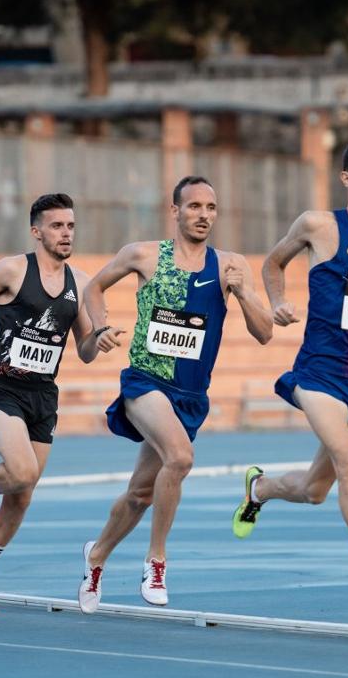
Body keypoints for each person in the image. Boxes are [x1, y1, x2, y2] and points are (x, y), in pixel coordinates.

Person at [231, 136, 348, 615]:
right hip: (320, 374)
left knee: (317, 490)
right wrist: (276, 300)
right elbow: (273, 262)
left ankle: (260, 488)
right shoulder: (318, 225)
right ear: (347, 178)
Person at [77, 176, 273, 612]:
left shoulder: (230, 266)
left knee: (140, 494)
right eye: (194, 206)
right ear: (175, 211)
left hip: (189, 395)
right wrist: (101, 325)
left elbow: (264, 333)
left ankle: (95, 557)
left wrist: (242, 293)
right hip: (145, 382)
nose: (204, 215)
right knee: (180, 459)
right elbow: (93, 287)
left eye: (211, 207)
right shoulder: (143, 255)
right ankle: (157, 561)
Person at [0, 193, 109, 616]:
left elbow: (85, 351)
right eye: (57, 226)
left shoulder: (81, 283)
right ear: (37, 231)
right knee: (20, 471)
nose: (66, 233)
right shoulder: (13, 269)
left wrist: (99, 338)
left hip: (43, 397)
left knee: (22, 497)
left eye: (71, 226)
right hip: (2, 390)